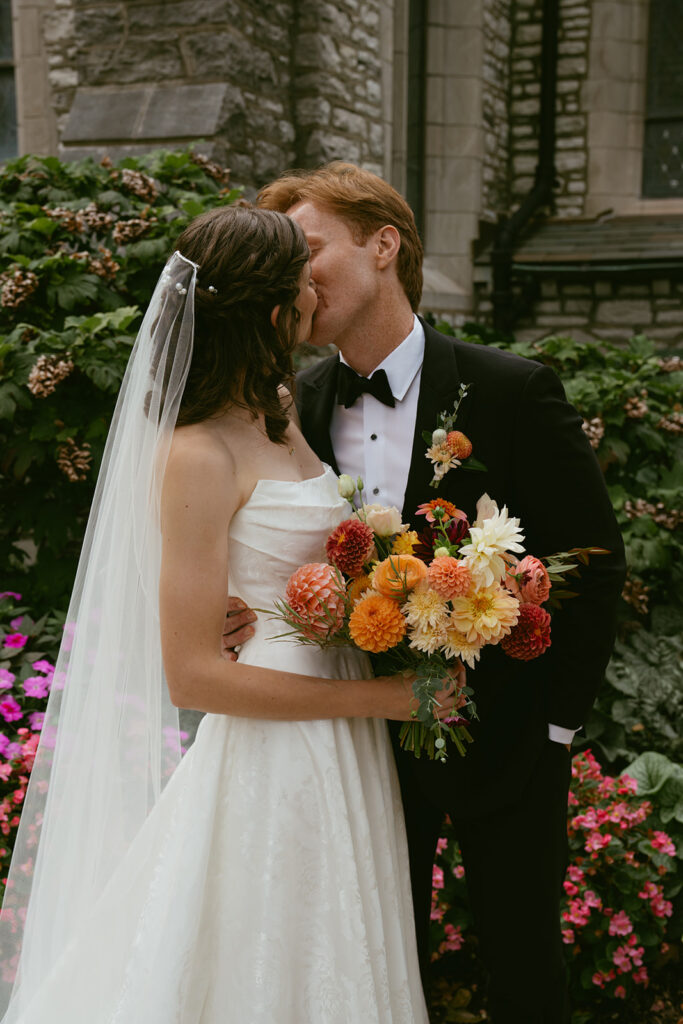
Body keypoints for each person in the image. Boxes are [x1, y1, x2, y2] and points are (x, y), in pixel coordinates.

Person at [0, 205, 446, 1023]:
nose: (317, 295)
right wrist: (379, 699)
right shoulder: (196, 452)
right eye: (302, 283)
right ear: (275, 312)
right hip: (278, 747)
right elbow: (193, 674)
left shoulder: (280, 406)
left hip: (342, 733)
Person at [221, 162, 625, 1024]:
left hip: (507, 739)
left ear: (382, 244)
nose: (297, 276)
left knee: (522, 967)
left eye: (312, 248)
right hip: (358, 743)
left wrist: (553, 728)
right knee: (369, 963)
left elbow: (591, 560)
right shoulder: (293, 405)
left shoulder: (512, 389)